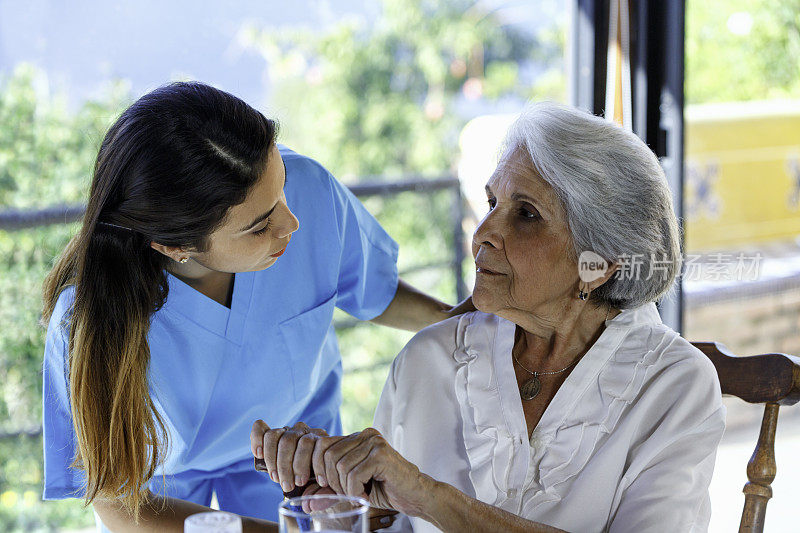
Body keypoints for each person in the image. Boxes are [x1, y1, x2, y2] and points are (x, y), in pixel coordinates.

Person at [252, 102, 727, 532]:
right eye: (492, 203)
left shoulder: (675, 386)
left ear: (597, 265)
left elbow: (420, 498)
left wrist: (431, 497)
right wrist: (335, 495)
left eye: (526, 215)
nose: (483, 234)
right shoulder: (429, 358)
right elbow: (389, 522)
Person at [41, 82, 470, 532]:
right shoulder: (85, 323)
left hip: (301, 465)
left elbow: (372, 290)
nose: (292, 222)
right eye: (260, 226)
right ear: (176, 246)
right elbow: (121, 503)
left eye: (282, 187)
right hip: (165, 498)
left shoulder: (310, 191)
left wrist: (468, 325)